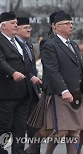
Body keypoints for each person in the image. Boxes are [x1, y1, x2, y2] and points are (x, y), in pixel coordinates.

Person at [25, 11, 83, 154]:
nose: (71, 26)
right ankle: (32, 149)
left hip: (77, 93)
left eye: (71, 23)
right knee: (61, 130)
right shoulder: (50, 44)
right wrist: (64, 90)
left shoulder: (74, 45)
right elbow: (52, 70)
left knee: (74, 131)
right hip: (60, 93)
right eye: (67, 24)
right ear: (56, 27)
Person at [0, 11, 32, 154]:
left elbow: (25, 65)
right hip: (7, 92)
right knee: (4, 125)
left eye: (16, 23)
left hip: (23, 92)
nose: (16, 25)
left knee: (20, 128)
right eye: (12, 23)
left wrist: (31, 77)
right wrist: (12, 73)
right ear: (3, 26)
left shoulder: (20, 43)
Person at [16, 17, 42, 154]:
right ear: (17, 29)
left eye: (29, 27)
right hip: (19, 93)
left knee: (35, 128)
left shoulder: (28, 45)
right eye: (25, 27)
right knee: (17, 129)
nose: (29, 30)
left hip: (32, 93)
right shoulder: (14, 45)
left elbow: (32, 69)